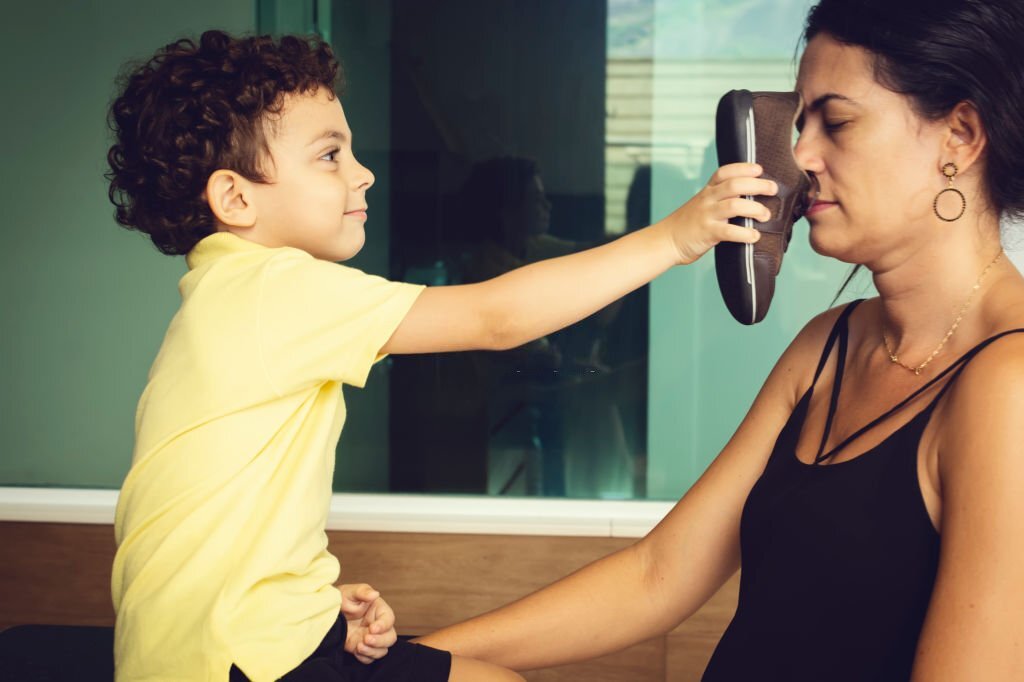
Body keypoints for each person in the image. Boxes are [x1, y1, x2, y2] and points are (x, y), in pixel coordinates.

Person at [105, 30, 770, 682]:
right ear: (236, 198)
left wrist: (304, 598)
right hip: (228, 660)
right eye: (330, 156)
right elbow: (497, 317)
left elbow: (207, 517)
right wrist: (676, 237)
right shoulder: (271, 288)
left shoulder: (224, 298)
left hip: (216, 643)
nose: (363, 172)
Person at [416, 1, 1024, 680]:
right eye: (801, 123)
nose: (800, 156)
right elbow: (658, 574)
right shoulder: (830, 344)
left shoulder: (1009, 385)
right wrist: (407, 662)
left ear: (961, 136)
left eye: (838, 122)